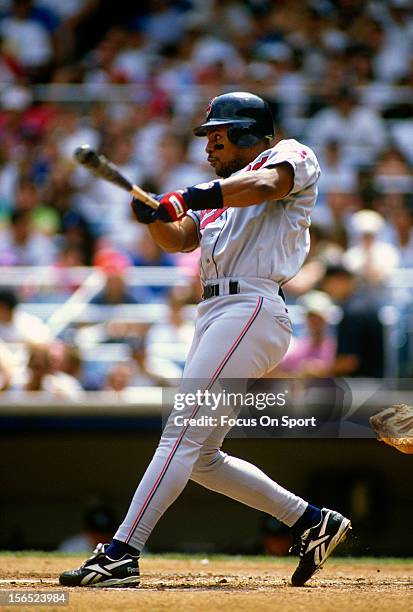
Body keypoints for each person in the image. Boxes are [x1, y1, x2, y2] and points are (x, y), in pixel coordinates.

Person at [60, 92, 351, 589]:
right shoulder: (219, 193)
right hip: (215, 310)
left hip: (253, 306)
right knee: (203, 457)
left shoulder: (290, 155)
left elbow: (263, 185)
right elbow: (181, 238)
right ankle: (311, 521)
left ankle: (121, 552)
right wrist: (155, 218)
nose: (210, 146)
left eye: (218, 135)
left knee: (178, 434)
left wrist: (190, 195)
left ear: (245, 132)